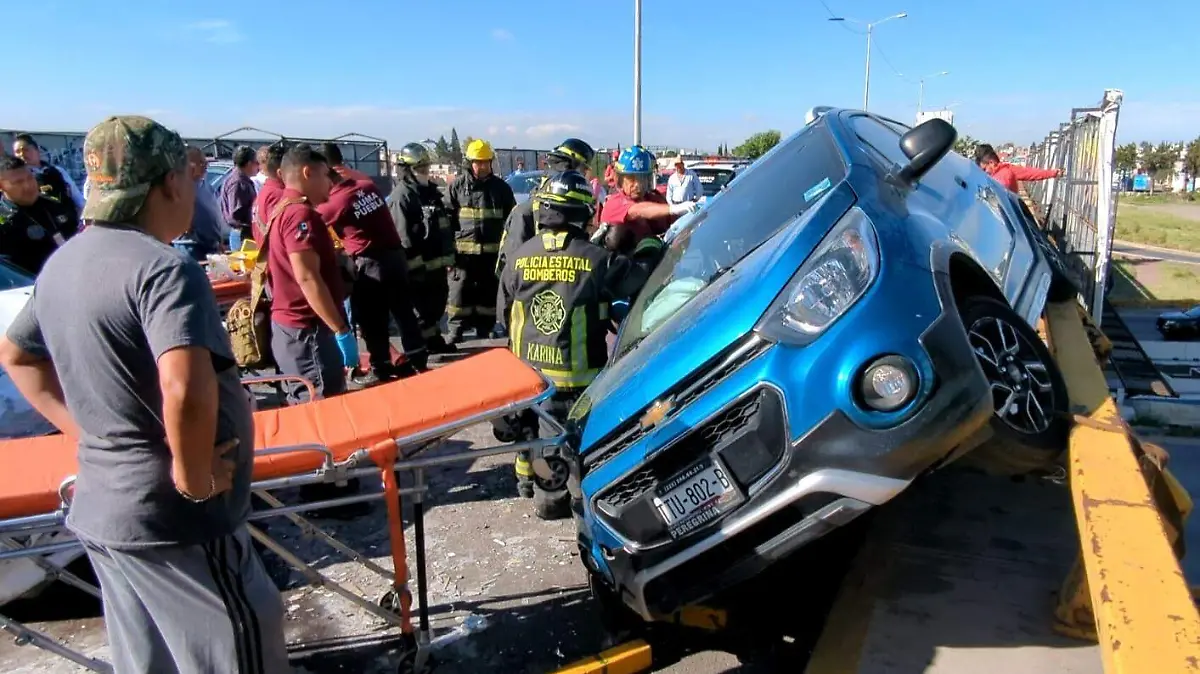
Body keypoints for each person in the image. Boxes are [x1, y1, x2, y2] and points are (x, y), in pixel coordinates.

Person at [0, 115, 288, 673]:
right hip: (176, 522)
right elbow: (184, 383)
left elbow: (17, 356)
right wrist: (192, 477)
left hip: (106, 508)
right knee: (237, 641)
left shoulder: (65, 264)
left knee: (150, 657)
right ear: (169, 184)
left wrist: (88, 431)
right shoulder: (163, 270)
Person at [499, 170, 664, 515]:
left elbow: (503, 313)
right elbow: (637, 278)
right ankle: (577, 501)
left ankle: (539, 491)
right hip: (578, 383)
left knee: (540, 439)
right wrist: (650, 247)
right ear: (581, 214)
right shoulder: (594, 259)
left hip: (529, 379)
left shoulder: (518, 257)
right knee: (580, 448)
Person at [317, 142, 427, 379]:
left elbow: (312, 222)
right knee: (404, 312)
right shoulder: (368, 186)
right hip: (395, 258)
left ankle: (381, 367)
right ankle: (418, 360)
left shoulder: (335, 202)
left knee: (372, 319)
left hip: (371, 264)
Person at [266, 144, 357, 404]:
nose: (330, 183)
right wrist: (339, 329)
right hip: (308, 333)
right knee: (322, 408)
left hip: (293, 330)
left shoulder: (283, 208)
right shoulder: (300, 215)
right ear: (308, 173)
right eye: (325, 175)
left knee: (307, 406)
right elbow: (307, 277)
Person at [495, 138, 596, 284]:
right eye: (583, 170)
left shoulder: (573, 211)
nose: (584, 177)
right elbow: (510, 272)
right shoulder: (526, 212)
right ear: (568, 167)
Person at [388, 142, 457, 354]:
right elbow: (403, 237)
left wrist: (448, 257)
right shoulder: (402, 197)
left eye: (427, 168)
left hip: (436, 266)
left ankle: (434, 340)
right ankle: (421, 347)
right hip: (419, 269)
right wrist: (414, 268)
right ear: (407, 170)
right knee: (421, 309)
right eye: (420, 169)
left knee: (435, 307)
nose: (425, 172)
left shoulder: (430, 193)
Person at [446, 138, 516, 342]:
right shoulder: (457, 187)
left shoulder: (501, 188)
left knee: (488, 293)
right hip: (463, 255)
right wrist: (448, 253)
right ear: (470, 163)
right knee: (459, 294)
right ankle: (456, 331)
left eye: (486, 162)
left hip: (491, 254)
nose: (483, 166)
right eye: (479, 162)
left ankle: (485, 330)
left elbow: (511, 221)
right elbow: (446, 220)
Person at [598, 145, 697, 254]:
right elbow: (638, 211)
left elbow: (676, 225)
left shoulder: (654, 199)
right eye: (631, 178)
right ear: (621, 180)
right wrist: (674, 208)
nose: (637, 184)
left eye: (642, 178)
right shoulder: (614, 203)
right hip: (623, 267)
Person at [0, 155, 79, 275]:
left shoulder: (55, 205)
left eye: (30, 178)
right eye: (18, 182)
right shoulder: (4, 223)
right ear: (2, 186)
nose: (28, 186)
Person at [11, 133, 86, 224]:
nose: (22, 154)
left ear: (37, 151)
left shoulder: (58, 171)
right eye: (17, 152)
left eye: (26, 150)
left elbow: (79, 200)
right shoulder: (17, 179)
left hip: (70, 225)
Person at [171, 147, 225, 261]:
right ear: (187, 164)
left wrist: (218, 241)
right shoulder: (179, 187)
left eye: (205, 162)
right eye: (200, 162)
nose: (205, 165)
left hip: (211, 246)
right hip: (191, 246)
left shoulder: (206, 185)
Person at [974, 144, 1062, 194]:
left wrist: (1053, 173)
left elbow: (1030, 173)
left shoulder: (1006, 172)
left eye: (984, 169)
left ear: (991, 163)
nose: (985, 172)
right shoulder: (1005, 170)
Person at [219, 145, 260, 241]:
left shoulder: (241, 180)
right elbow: (236, 214)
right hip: (242, 235)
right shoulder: (238, 182)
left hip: (243, 233)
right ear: (249, 163)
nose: (258, 166)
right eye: (256, 163)